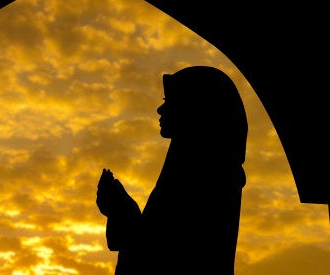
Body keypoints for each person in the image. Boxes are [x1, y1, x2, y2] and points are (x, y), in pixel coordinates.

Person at [96, 66, 248, 274]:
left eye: (169, 101)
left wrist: (121, 209)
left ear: (195, 107)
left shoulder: (204, 177)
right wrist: (121, 209)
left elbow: (160, 252)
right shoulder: (196, 170)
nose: (160, 110)